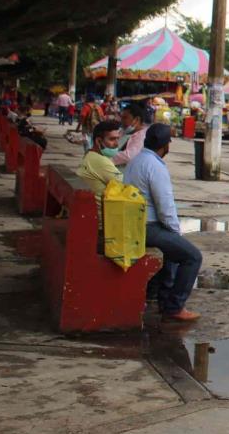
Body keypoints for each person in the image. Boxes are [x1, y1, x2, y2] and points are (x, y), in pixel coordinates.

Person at [122, 123, 203, 322]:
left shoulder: (136, 160)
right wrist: (177, 233)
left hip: (133, 222)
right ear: (166, 146)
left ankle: (158, 294)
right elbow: (165, 208)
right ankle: (175, 306)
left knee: (174, 252)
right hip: (148, 226)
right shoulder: (155, 167)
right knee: (192, 256)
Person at [76, 120, 123, 201]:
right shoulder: (101, 161)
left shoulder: (90, 155)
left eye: (117, 139)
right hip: (100, 211)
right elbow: (125, 184)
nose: (117, 144)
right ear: (98, 141)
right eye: (112, 139)